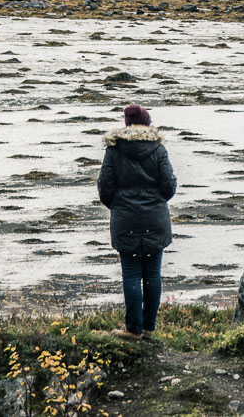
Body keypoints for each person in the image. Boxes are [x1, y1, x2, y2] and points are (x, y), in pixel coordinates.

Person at [98, 103, 177, 341]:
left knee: (131, 274)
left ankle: (133, 329)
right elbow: (169, 185)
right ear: (147, 122)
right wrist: (156, 201)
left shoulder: (114, 149)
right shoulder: (158, 149)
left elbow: (104, 186)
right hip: (155, 217)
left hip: (125, 219)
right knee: (153, 274)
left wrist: (120, 205)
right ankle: (148, 329)